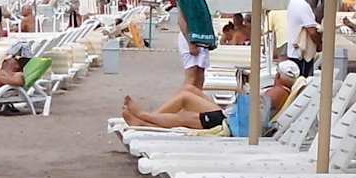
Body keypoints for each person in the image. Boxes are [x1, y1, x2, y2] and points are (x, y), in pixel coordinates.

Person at [120, 59, 299, 135]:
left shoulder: (277, 92)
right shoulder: (283, 91)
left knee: (184, 113)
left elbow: (255, 111)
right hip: (233, 117)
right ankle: (148, 120)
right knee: (189, 90)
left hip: (231, 123)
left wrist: (245, 90)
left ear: (277, 75)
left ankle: (145, 120)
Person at [176, 0, 217, 90]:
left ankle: (194, 101)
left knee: (199, 76)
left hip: (196, 40)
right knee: (192, 75)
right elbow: (182, 20)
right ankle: (183, 101)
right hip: (192, 39)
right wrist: (191, 43)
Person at [285, 0, 321, 77]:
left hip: (293, 51)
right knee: (303, 81)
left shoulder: (293, 1)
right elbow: (312, 31)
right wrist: (319, 44)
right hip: (302, 53)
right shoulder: (303, 5)